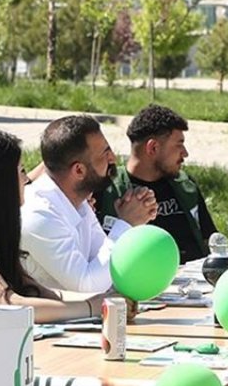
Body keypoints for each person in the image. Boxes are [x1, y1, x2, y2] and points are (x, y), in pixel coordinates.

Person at [0, 129, 105, 322]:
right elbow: (8, 304)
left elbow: (36, 291)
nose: (26, 179)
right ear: (0, 183)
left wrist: (104, 300)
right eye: (21, 171)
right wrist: (91, 307)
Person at [21, 115, 156, 293]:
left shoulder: (76, 201)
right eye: (105, 154)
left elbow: (108, 271)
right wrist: (126, 224)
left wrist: (133, 224)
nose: (113, 159)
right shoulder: (40, 215)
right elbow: (87, 286)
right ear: (79, 170)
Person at [96, 104, 218, 262]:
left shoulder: (186, 186)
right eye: (179, 144)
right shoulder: (106, 190)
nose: (185, 153)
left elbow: (211, 240)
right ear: (153, 148)